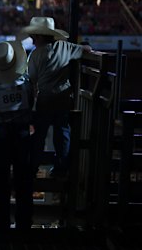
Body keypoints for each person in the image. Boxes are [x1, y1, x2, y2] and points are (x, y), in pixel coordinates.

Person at [17, 17, 93, 178]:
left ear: (39, 36)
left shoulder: (36, 54)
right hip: (64, 98)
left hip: (45, 100)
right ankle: (60, 167)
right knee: (62, 133)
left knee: (39, 135)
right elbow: (86, 49)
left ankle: (33, 166)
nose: (32, 40)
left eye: (33, 37)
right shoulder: (66, 47)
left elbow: (32, 79)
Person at [0, 41, 34, 232]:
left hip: (1, 131)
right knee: (23, 180)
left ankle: (0, 225)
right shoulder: (25, 80)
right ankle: (24, 225)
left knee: (1, 180)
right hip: (21, 131)